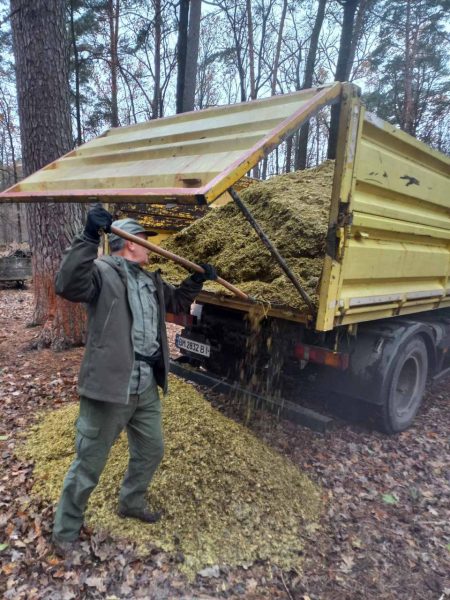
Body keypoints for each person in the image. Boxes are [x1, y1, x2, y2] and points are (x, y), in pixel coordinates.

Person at [51, 205, 217, 558]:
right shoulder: (101, 273)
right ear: (128, 243)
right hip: (111, 388)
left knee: (152, 448)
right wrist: (86, 238)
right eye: (144, 240)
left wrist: (197, 281)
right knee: (89, 463)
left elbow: (176, 301)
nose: (149, 246)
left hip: (145, 385)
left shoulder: (150, 280)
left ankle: (131, 501)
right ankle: (64, 531)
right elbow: (66, 284)